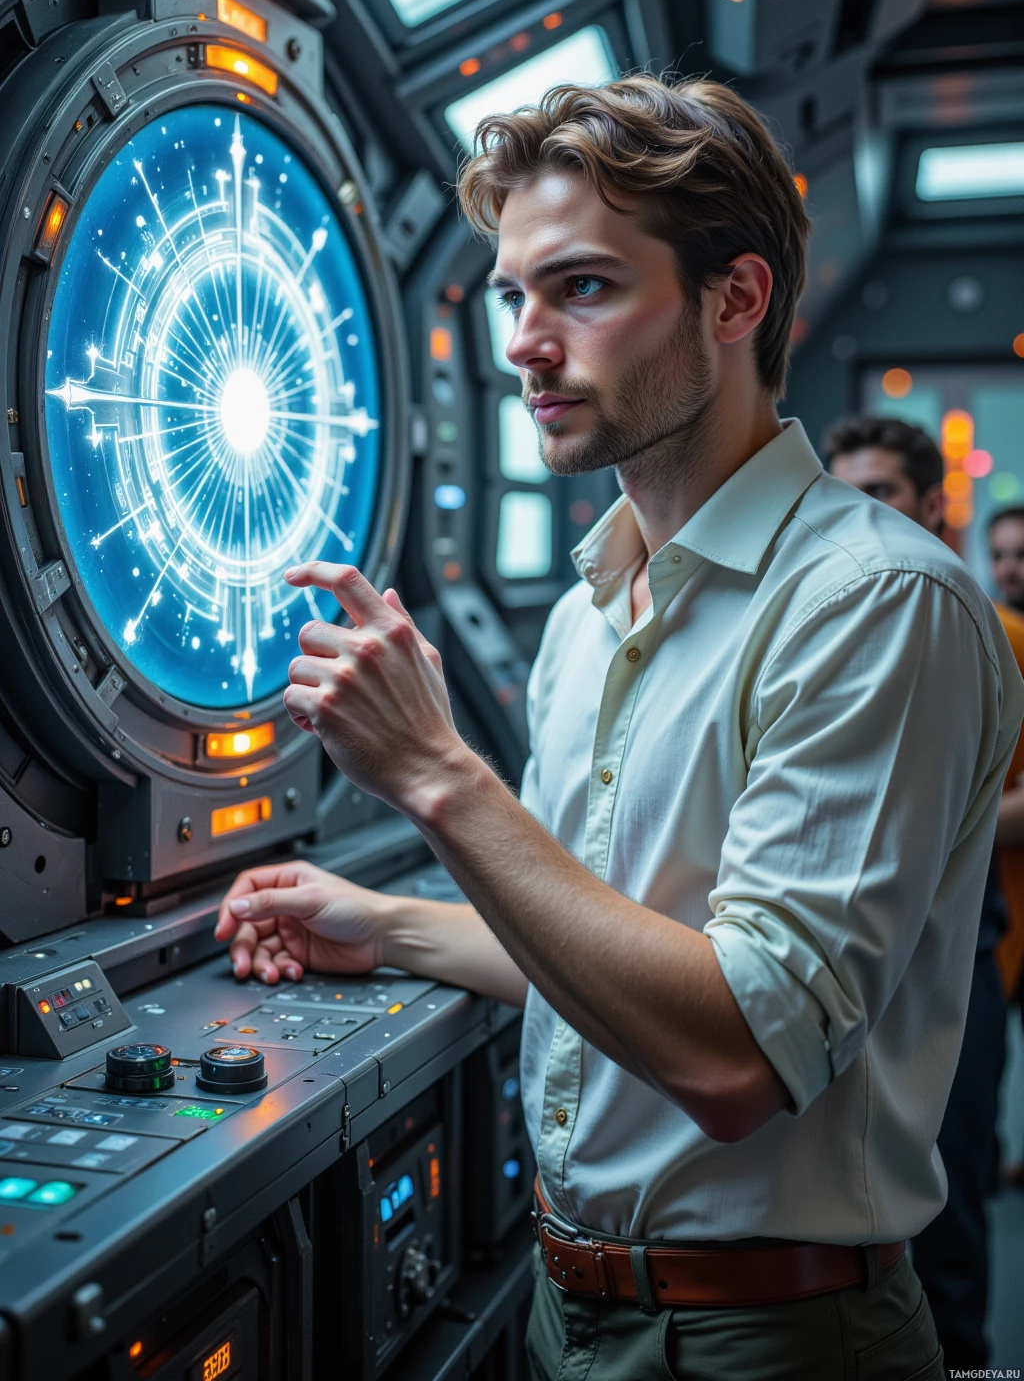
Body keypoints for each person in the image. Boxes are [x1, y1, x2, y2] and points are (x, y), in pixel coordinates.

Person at [215, 76, 1024, 1381]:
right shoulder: (590, 612)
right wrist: (389, 927)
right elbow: (600, 938)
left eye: (581, 288)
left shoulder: (875, 602)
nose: (525, 344)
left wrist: (436, 776)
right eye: (510, 297)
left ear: (735, 299)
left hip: (770, 1336)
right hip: (571, 1310)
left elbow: (738, 1050)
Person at [823, 415, 1011, 1371]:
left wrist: (936, 816)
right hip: (845, 971)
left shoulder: (968, 623)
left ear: (932, 505)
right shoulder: (824, 626)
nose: (858, 513)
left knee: (949, 1212)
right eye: (842, 493)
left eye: (882, 494)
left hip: (953, 964)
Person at [987, 505, 1024, 1187]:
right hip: (998, 902)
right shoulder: (993, 633)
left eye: (1022, 554)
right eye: (1000, 555)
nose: (1010, 569)